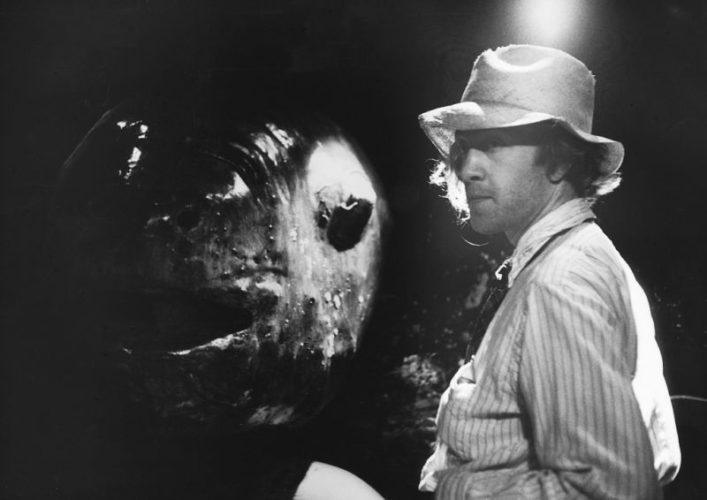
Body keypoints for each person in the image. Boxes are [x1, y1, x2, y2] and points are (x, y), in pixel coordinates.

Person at [417, 45, 681, 498]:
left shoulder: (561, 281)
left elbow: (610, 490)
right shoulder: (573, 257)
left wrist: (457, 491)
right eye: (465, 147)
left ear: (561, 160)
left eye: (493, 144)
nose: (467, 167)